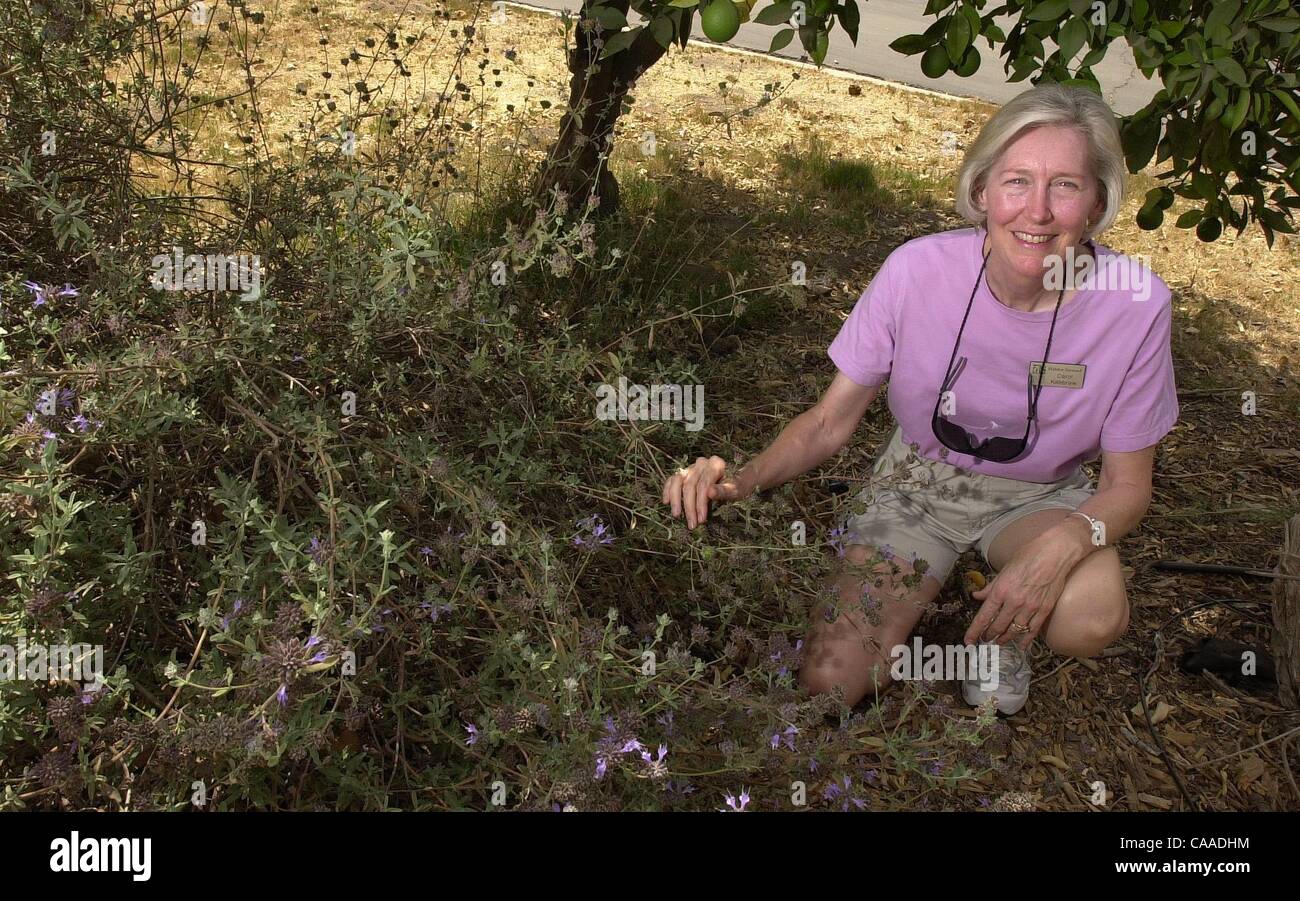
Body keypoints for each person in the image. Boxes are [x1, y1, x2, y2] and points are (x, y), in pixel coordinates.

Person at [660, 83, 1179, 715]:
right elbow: (829, 421)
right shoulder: (917, 270)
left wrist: (1063, 545)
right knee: (831, 684)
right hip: (916, 482)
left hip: (1040, 496)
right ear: (981, 190)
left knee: (1089, 618)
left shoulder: (1135, 303)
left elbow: (1128, 486)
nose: (1037, 211)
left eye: (1065, 185)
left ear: (1097, 202)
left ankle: (1006, 632)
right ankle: (975, 584)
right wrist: (741, 481)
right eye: (1017, 181)